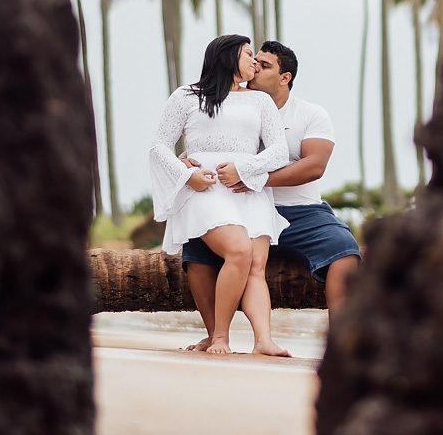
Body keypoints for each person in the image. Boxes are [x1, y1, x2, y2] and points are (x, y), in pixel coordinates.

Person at [181, 40, 362, 351]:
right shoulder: (230, 105)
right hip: (237, 208)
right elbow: (208, 146)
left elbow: (314, 166)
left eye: (264, 65)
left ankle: (341, 345)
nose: (254, 67)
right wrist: (184, 163)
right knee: (195, 254)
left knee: (345, 250)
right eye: (254, 60)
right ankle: (216, 335)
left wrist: (254, 178)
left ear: (284, 77)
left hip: (300, 211)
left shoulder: (311, 114)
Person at [148, 35, 291, 356]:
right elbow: (159, 147)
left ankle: (263, 341)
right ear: (228, 58)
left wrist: (245, 169)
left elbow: (279, 150)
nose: (254, 61)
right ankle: (220, 337)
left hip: (246, 187)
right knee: (239, 251)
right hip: (205, 187)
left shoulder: (260, 101)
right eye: (248, 54)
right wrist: (188, 175)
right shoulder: (187, 96)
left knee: (255, 265)